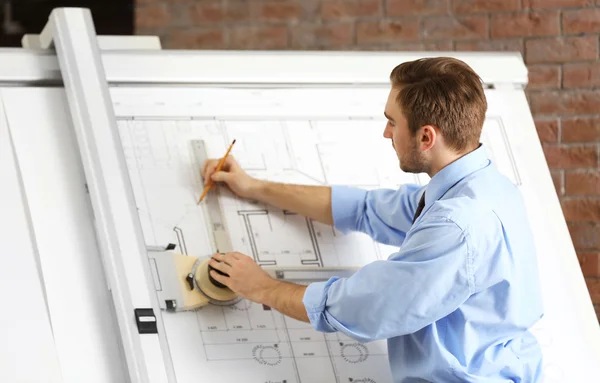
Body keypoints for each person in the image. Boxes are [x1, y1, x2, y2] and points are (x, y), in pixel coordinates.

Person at [202, 56, 544, 382]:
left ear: (426, 137)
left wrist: (263, 287)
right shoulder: (481, 186)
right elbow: (365, 209)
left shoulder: (457, 225)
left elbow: (366, 307)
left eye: (392, 122)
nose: (386, 133)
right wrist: (253, 187)